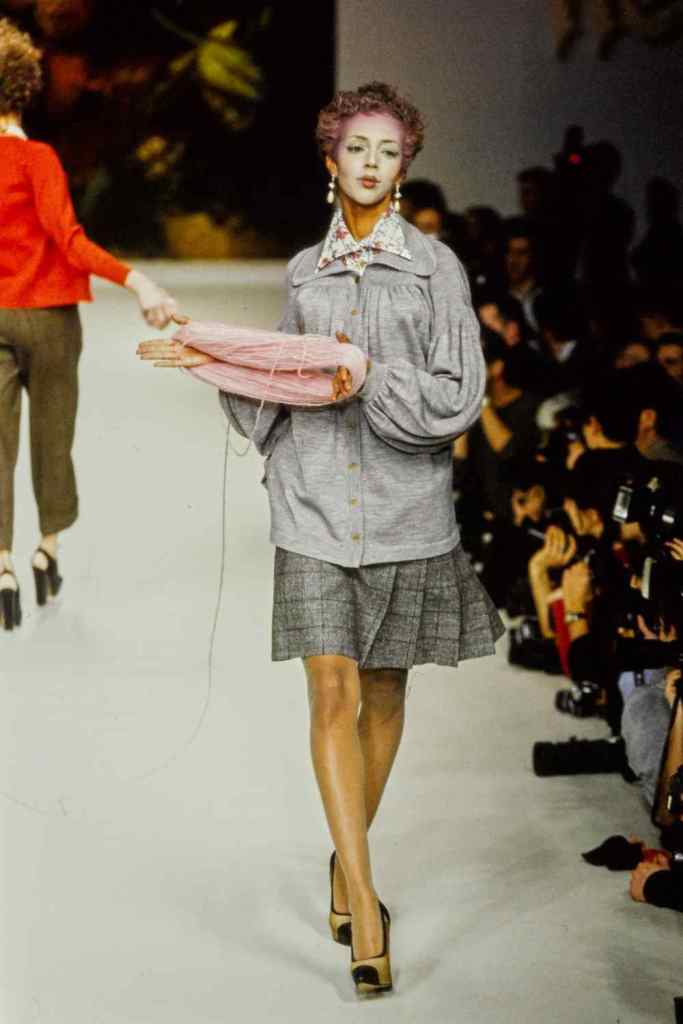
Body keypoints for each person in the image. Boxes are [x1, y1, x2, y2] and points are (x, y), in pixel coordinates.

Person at [137, 81, 504, 995]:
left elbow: (459, 397)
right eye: (356, 148)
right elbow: (281, 381)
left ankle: (345, 861)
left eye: (388, 150)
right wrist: (210, 359)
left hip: (407, 510)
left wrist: (368, 374)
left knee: (383, 693)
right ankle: (366, 905)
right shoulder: (304, 272)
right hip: (311, 505)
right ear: (330, 160)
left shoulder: (437, 270)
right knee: (330, 692)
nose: (370, 163)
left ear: (403, 165)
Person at [0, 18, 177, 629]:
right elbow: (69, 239)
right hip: (49, 319)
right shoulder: (38, 159)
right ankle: (46, 551)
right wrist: (138, 281)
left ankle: (1, 566)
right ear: (24, 87)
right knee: (53, 438)